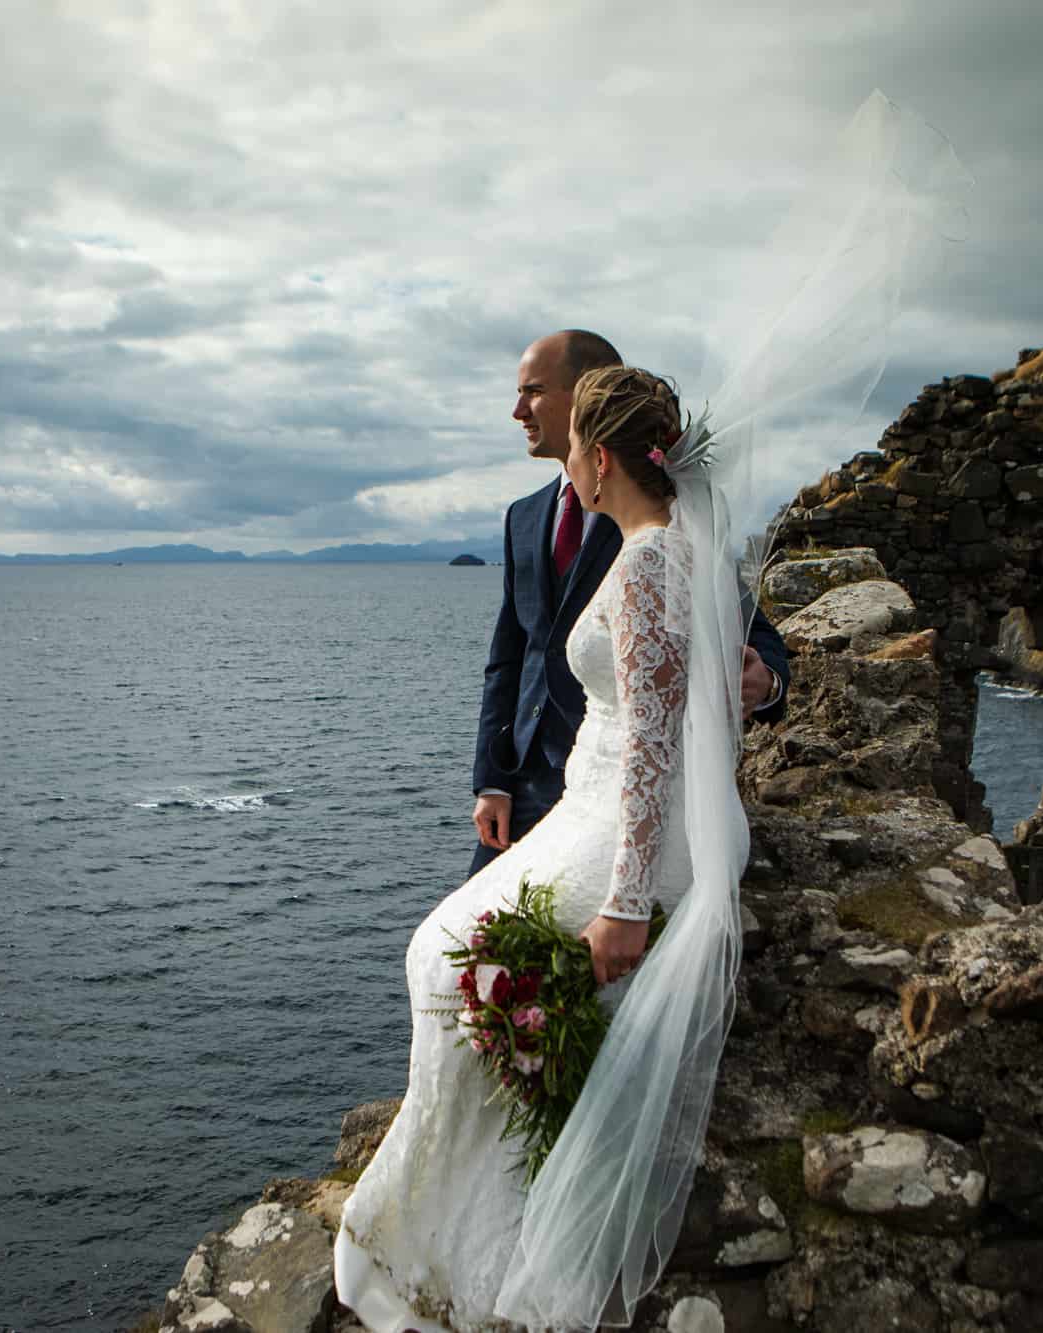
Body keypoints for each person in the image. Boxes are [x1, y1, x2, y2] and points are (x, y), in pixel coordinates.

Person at [335, 365, 748, 1331]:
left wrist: (626, 901)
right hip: (587, 804)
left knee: (444, 959)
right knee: (445, 952)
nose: (565, 463)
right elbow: (701, 688)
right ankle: (457, 1209)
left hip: (627, 827)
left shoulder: (648, 561)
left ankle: (470, 1238)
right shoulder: (670, 546)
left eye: (571, 449)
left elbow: (652, 737)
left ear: (600, 460)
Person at [469, 330, 791, 876]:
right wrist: (492, 779)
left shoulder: (669, 514)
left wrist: (768, 683)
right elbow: (511, 656)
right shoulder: (522, 517)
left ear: (586, 391)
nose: (518, 409)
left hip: (616, 798)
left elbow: (747, 627)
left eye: (533, 391)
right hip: (522, 788)